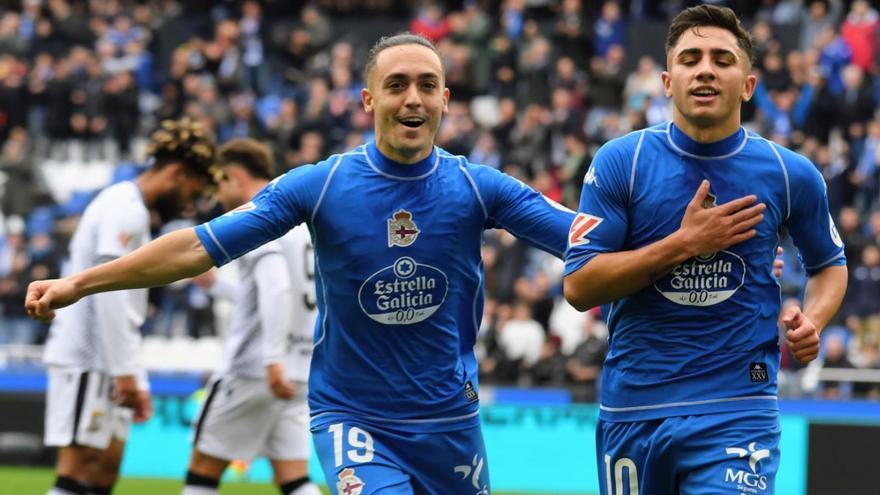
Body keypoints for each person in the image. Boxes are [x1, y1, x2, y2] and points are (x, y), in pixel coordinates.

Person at [26, 33, 574, 494]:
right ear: (368, 100)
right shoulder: (321, 185)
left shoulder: (478, 187)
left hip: (450, 417)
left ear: (446, 99)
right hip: (356, 419)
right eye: (396, 85)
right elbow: (197, 246)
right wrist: (80, 283)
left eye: (427, 85)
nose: (413, 99)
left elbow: (584, 240)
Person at [563, 6, 848, 494]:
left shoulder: (790, 173)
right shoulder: (620, 162)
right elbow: (579, 286)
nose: (706, 70)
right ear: (667, 82)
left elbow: (829, 264)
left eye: (722, 59)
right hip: (635, 407)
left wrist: (814, 320)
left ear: (748, 85)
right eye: (691, 59)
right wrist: (684, 244)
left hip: (738, 407)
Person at [40, 117, 216, 495]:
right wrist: (125, 372)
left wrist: (133, 375)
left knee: (105, 469)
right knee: (79, 469)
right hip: (87, 354)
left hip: (110, 358)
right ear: (176, 173)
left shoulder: (132, 208)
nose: (189, 205)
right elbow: (110, 293)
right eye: (192, 192)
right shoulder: (124, 207)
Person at [181, 138, 321, 495]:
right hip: (300, 369)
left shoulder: (259, 214)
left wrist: (272, 359)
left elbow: (277, 289)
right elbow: (272, 292)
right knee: (294, 477)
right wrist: (217, 286)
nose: (218, 195)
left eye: (220, 183)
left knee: (202, 470)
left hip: (256, 369)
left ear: (235, 177)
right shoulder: (300, 222)